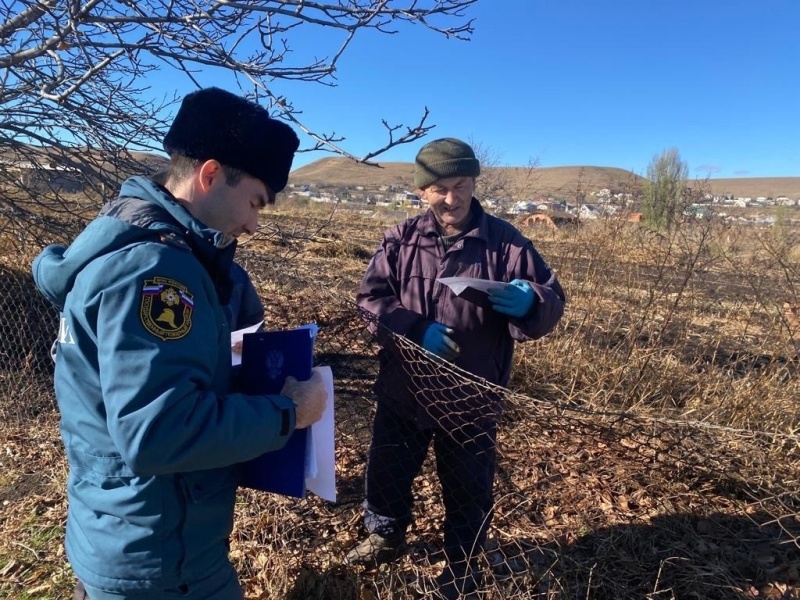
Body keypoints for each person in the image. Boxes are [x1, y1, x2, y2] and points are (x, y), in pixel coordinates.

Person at [31, 87, 328, 600]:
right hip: (164, 562)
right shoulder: (158, 273)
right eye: (255, 201)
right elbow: (158, 433)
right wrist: (287, 414)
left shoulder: (136, 245)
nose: (255, 224)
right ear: (210, 174)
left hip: (124, 532)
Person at [346, 138, 566, 599]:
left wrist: (532, 303)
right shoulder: (400, 239)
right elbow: (370, 300)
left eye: (461, 185)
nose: (452, 198)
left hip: (472, 397)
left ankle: (463, 564)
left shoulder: (507, 244)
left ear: (473, 184)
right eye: (440, 188)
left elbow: (552, 298)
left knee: (469, 487)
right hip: (403, 390)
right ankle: (384, 537)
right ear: (422, 192)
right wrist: (411, 328)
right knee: (388, 471)